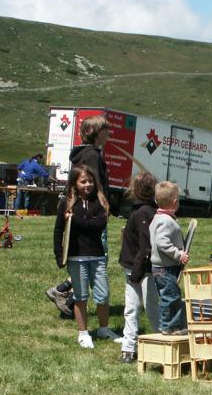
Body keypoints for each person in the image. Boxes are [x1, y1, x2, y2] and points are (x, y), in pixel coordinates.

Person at [47, 115, 111, 315]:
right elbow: (96, 187)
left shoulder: (83, 154)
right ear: (94, 132)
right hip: (92, 214)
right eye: (105, 130)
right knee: (95, 259)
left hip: (85, 213)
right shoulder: (92, 156)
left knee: (86, 258)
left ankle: (65, 294)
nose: (108, 134)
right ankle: (65, 294)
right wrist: (102, 208)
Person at [53, 164, 122, 349]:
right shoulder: (66, 203)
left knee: (103, 295)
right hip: (76, 257)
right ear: (74, 183)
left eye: (90, 181)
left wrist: (76, 220)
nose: (87, 185)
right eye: (83, 181)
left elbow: (99, 225)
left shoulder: (99, 202)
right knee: (81, 296)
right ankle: (83, 333)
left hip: (97, 256)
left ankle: (104, 329)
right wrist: (59, 254)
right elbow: (59, 230)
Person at [118, 172, 160, 363]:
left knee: (150, 309)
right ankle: (128, 349)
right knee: (132, 308)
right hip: (138, 267)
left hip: (142, 269)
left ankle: (163, 344)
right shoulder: (144, 210)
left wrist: (136, 273)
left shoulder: (143, 212)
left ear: (135, 189)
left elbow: (145, 247)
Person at [149, 181, 190, 335]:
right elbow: (162, 243)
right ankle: (168, 326)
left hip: (162, 268)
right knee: (170, 297)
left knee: (171, 295)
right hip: (165, 268)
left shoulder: (159, 218)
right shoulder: (165, 221)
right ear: (175, 201)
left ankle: (172, 325)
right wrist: (178, 254)